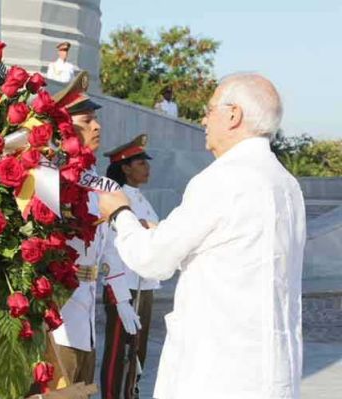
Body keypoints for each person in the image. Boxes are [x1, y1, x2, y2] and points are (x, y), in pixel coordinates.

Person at [98, 73, 306, 398]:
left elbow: (152, 261)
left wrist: (120, 214)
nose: (203, 119)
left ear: (234, 114)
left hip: (219, 371)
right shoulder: (286, 184)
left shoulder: (221, 179)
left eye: (210, 110)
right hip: (271, 371)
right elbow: (234, 257)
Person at [49, 71, 135, 386]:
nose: (97, 126)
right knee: (62, 388)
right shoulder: (52, 179)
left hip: (86, 311)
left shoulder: (97, 180)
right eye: (86, 121)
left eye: (95, 120)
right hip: (59, 317)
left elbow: (108, 243)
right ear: (64, 130)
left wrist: (122, 297)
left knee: (83, 388)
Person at [100, 134, 160, 399]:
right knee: (119, 352)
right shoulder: (116, 196)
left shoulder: (139, 198)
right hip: (124, 283)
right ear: (125, 166)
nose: (147, 168)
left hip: (143, 283)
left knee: (137, 352)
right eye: (141, 163)